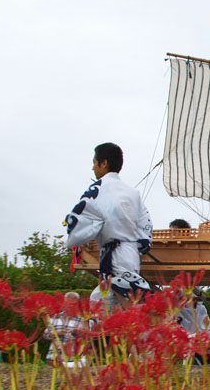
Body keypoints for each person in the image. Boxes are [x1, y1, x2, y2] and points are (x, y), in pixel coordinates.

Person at [65, 143, 153, 311]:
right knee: (100, 300)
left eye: (94, 162)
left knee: (129, 305)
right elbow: (145, 223)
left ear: (104, 163)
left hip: (115, 255)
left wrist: (74, 230)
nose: (92, 167)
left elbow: (80, 217)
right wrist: (141, 245)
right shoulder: (133, 193)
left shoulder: (98, 189)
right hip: (131, 254)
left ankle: (152, 331)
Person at [44, 291, 87, 366]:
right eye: (70, 302)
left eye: (74, 303)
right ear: (64, 302)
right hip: (53, 356)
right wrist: (58, 333)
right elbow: (45, 335)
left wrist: (76, 333)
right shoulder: (55, 317)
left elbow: (84, 337)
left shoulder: (80, 320)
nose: (72, 305)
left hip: (71, 358)